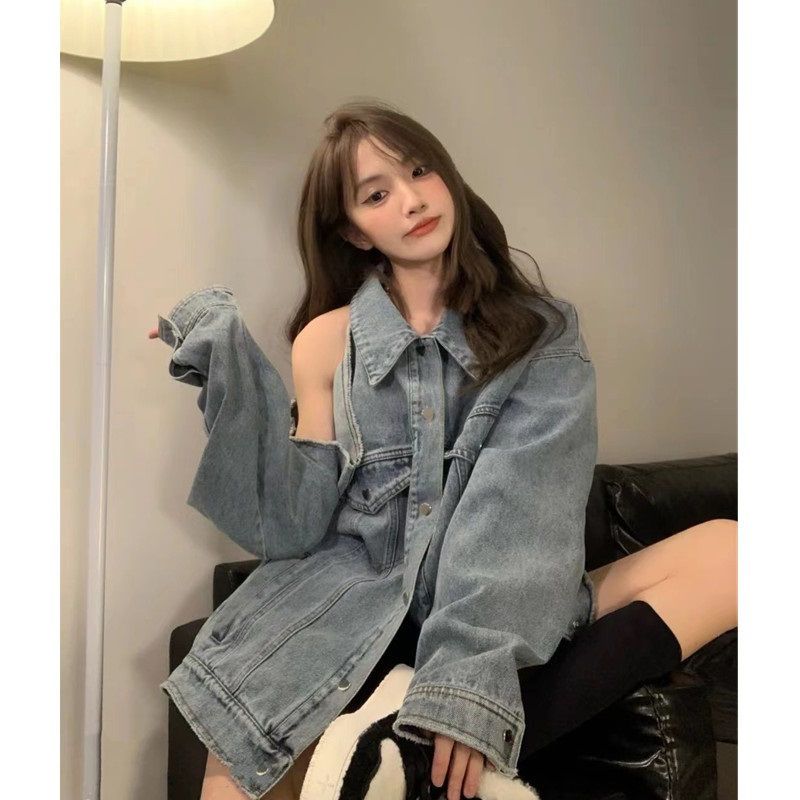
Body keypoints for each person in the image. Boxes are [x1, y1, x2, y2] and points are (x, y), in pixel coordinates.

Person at [148, 100, 737, 800]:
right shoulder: (325, 340)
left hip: (487, 602)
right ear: (353, 230)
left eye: (420, 171)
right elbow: (294, 524)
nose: (411, 200)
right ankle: (410, 747)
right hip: (353, 602)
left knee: (734, 551)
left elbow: (519, 508)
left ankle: (407, 752)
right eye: (376, 195)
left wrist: (467, 677)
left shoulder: (541, 334)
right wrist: (227, 368)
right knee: (237, 763)